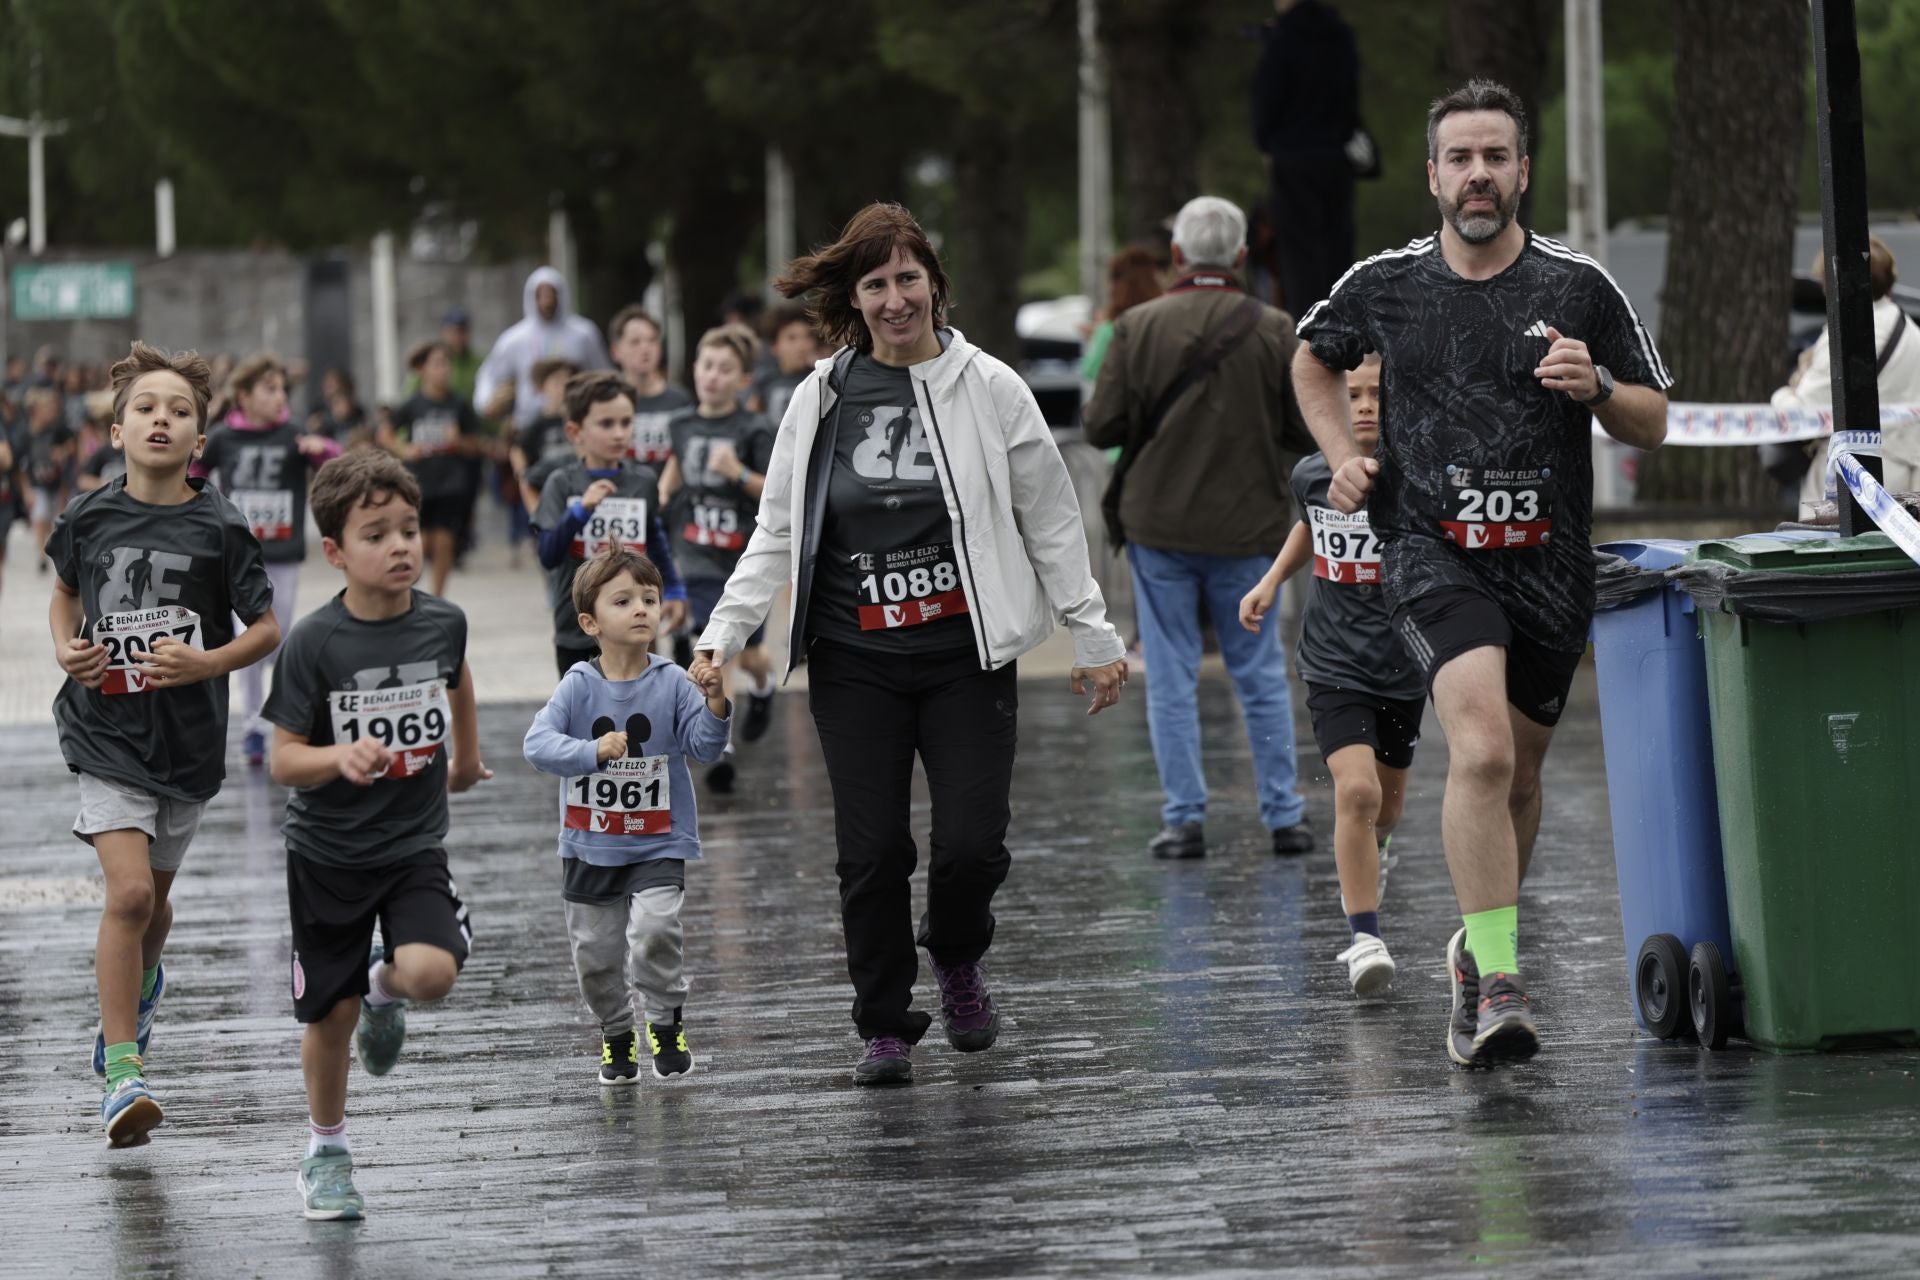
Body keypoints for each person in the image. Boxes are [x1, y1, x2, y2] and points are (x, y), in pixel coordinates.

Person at [690, 202, 1129, 1086]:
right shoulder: (820, 397)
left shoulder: (992, 386)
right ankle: (884, 1023)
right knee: (872, 849)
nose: (895, 300)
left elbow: (1050, 518)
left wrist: (1093, 633)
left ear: (934, 282)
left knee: (972, 846)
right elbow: (776, 532)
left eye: (906, 279)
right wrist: (719, 638)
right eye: (875, 284)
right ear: (855, 300)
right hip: (855, 658)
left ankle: (959, 956)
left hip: (967, 652)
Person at [1293, 79, 1671, 1067]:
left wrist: (1599, 388)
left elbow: (1655, 416)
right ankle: (1501, 977)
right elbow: (1309, 359)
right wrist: (1341, 454)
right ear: (1431, 175)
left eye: (1495, 156)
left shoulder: (1579, 286)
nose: (1477, 175)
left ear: (1522, 171)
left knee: (1522, 774)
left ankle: (1476, 945)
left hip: (1548, 567)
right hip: (1429, 551)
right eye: (1460, 158)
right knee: (1485, 747)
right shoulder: (1383, 284)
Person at [47, 342, 280, 1147]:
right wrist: (65, 649)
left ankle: (142, 987)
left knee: (158, 902)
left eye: (179, 411)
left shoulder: (220, 525)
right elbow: (65, 593)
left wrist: (206, 662)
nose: (161, 419)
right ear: (116, 430)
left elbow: (268, 628)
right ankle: (122, 1073)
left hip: (187, 742)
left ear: (199, 440)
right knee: (131, 895)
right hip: (105, 731)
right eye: (146, 407)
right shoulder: (88, 515)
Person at [262, 448, 491, 1220]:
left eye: (409, 528)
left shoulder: (443, 619)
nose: (400, 545)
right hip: (326, 856)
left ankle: (385, 986)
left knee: (431, 973)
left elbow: (456, 677)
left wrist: (465, 757)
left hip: (412, 845)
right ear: (334, 551)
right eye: (375, 534)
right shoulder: (314, 642)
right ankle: (326, 1151)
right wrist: (338, 755)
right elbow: (282, 760)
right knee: (330, 1016)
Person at [1083, 196, 1319, 862]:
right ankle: (1284, 816)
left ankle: (1184, 819)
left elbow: (1102, 426)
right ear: (1241, 257)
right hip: (1250, 531)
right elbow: (1304, 429)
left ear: (1179, 256)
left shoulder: (1137, 327)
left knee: (1172, 672)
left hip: (1159, 529)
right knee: (1260, 673)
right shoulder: (1275, 328)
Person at [1238, 354, 1423, 996]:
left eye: (1377, 394)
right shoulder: (1313, 473)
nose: (1365, 406)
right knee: (1358, 794)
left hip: (1405, 662)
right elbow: (1308, 526)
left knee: (1390, 806)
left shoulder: (1416, 476)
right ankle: (1364, 938)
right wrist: (1268, 582)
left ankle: (1376, 854)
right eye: (1353, 396)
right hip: (1333, 662)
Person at [523, 547, 731, 1084]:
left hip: (659, 839)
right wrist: (590, 753)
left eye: (649, 598)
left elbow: (705, 750)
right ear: (590, 622)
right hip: (590, 843)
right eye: (623, 600)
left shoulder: (674, 681)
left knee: (657, 930)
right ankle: (616, 1031)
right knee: (594, 955)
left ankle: (665, 1021)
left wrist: (714, 703)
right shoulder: (577, 685)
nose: (641, 609)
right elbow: (537, 745)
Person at [196, 354, 342, 766]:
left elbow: (339, 466)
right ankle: (255, 727)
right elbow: (193, 469)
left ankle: (288, 708)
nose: (280, 396)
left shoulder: (294, 434)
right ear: (243, 396)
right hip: (238, 552)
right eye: (270, 388)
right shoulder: (224, 437)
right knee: (249, 635)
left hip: (282, 550)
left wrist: (322, 448)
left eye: (282, 389)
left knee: (276, 637)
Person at [660, 324, 779, 791]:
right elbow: (677, 456)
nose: (713, 375)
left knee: (749, 656)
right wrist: (666, 488)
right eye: (707, 365)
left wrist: (739, 473)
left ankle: (764, 686)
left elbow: (774, 491)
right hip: (694, 554)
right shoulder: (682, 423)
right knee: (715, 643)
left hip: (742, 558)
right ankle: (720, 742)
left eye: (725, 369)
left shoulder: (754, 428)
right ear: (694, 370)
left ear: (743, 379)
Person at [534, 371, 688, 678]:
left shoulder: (642, 481)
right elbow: (548, 554)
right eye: (606, 424)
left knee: (641, 717)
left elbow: (654, 538)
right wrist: (580, 511)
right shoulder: (562, 483)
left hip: (635, 628)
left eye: (626, 422)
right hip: (578, 629)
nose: (619, 433)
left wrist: (674, 589)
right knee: (585, 722)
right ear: (575, 432)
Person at [1771, 236, 1920, 515]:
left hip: (1852, 479)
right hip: (1907, 477)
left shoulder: (1848, 330)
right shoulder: (1912, 331)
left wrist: (1783, 395)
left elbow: (1803, 412)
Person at [1250, 0, 1362, 316]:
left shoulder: (1282, 41)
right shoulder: (1342, 37)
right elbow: (1351, 101)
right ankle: (1343, 326)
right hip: (1335, 157)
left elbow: (1264, 103)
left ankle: (1311, 336)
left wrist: (1268, 145)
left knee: (1300, 256)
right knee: (1337, 247)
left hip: (1292, 158)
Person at [384, 341, 482, 596]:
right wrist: (404, 450)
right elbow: (384, 434)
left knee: (445, 542)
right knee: (422, 542)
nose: (444, 370)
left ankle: (437, 599)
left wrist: (459, 441)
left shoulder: (458, 404)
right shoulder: (412, 404)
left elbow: (476, 444)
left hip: (451, 481)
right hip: (419, 482)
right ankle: (410, 595)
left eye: (446, 364)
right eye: (438, 364)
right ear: (423, 370)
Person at [473, 266, 612, 430]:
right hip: (528, 424)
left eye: (552, 295)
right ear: (532, 297)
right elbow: (489, 374)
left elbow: (604, 374)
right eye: (542, 295)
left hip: (575, 420)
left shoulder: (583, 334)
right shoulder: (514, 339)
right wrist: (486, 403)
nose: (547, 302)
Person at [607, 306, 695, 470]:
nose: (645, 348)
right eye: (635, 342)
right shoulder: (606, 401)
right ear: (615, 351)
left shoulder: (681, 399)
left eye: (652, 340)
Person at [513, 357, 583, 513]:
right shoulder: (538, 423)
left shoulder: (581, 419)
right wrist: (523, 476)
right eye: (557, 381)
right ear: (542, 387)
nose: (563, 386)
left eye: (568, 381)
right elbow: (518, 449)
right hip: (548, 489)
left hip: (578, 486)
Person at [24, 386, 75, 571]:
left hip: (56, 482)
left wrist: (62, 452)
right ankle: (40, 554)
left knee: (53, 519)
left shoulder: (58, 429)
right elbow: (21, 465)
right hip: (37, 482)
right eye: (46, 408)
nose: (50, 412)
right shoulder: (28, 432)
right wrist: (26, 490)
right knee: (40, 514)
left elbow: (71, 445)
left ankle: (49, 547)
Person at [749, 303, 823, 428]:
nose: (802, 346)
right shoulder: (764, 380)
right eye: (791, 338)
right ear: (775, 346)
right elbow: (752, 419)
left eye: (807, 337)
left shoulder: (820, 379)